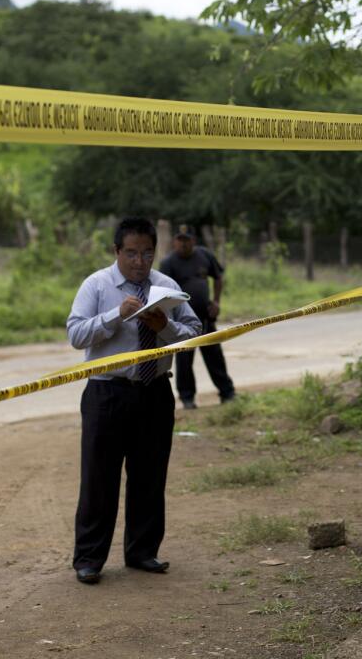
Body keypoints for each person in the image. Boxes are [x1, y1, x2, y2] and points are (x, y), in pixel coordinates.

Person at [66, 217, 201, 584]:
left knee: (149, 475)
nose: (140, 262)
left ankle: (143, 552)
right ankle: (89, 559)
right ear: (116, 252)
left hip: (155, 391)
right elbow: (76, 334)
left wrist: (165, 328)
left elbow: (193, 333)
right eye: (131, 253)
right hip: (107, 392)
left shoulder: (167, 287)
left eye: (146, 253)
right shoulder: (97, 285)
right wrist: (115, 316)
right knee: (99, 477)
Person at [158, 227, 236, 409]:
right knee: (184, 361)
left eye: (187, 240)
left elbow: (218, 277)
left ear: (194, 241)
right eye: (180, 239)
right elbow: (163, 293)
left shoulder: (204, 255)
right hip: (182, 322)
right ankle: (187, 398)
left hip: (206, 317)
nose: (183, 244)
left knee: (215, 356)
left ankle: (227, 393)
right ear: (174, 241)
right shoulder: (168, 263)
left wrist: (216, 302)